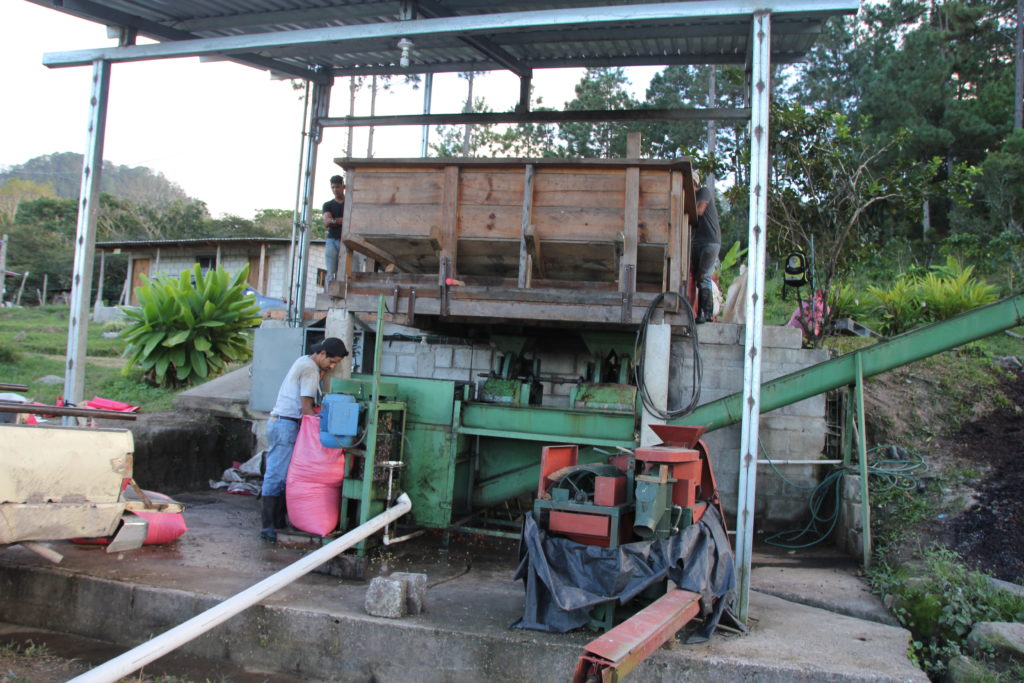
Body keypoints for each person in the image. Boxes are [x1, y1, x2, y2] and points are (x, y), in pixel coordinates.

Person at [261, 337, 349, 541]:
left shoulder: (303, 361)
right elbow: (306, 407)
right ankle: (268, 527)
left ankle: (277, 522)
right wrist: (318, 432)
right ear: (322, 354)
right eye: (332, 361)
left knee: (281, 474)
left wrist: (323, 372)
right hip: (286, 425)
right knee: (277, 475)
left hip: (279, 422)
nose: (333, 366)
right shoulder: (310, 369)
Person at [692, 185, 721, 324]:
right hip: (697, 242)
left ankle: (706, 313)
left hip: (710, 242)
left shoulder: (703, 192)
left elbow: (700, 210)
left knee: (704, 277)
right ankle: (702, 313)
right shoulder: (691, 198)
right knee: (699, 278)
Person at [322, 175, 346, 287]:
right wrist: (341, 220)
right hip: (332, 240)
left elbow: (353, 220)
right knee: (331, 272)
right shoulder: (328, 205)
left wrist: (333, 220)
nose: (335, 190)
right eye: (333, 187)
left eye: (337, 187)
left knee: (349, 271)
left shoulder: (350, 203)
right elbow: (326, 222)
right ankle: (329, 296)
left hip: (347, 240)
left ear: (343, 187)